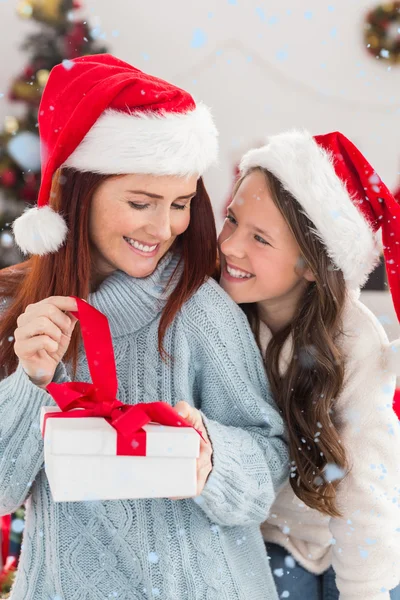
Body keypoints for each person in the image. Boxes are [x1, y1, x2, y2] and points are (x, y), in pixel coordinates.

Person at [0, 54, 288, 600]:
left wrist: (211, 455)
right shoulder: (14, 308)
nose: (164, 228)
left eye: (180, 204)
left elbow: (268, 463)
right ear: (78, 196)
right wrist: (30, 383)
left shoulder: (200, 310)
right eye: (141, 202)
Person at [218, 130, 400, 600]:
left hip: (351, 532)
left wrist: (366, 591)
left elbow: (365, 481)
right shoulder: (214, 317)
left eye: (259, 238)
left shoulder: (353, 340)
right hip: (265, 536)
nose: (231, 246)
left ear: (313, 266)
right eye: (231, 220)